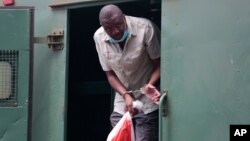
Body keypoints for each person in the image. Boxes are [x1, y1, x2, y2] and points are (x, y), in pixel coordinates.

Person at [93, 4, 161, 141]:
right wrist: (126, 95)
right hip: (122, 101)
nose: (115, 31)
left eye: (118, 25)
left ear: (124, 17)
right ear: (102, 26)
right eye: (108, 29)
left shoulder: (145, 28)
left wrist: (150, 84)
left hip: (146, 99)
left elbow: (160, 64)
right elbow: (110, 74)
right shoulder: (99, 37)